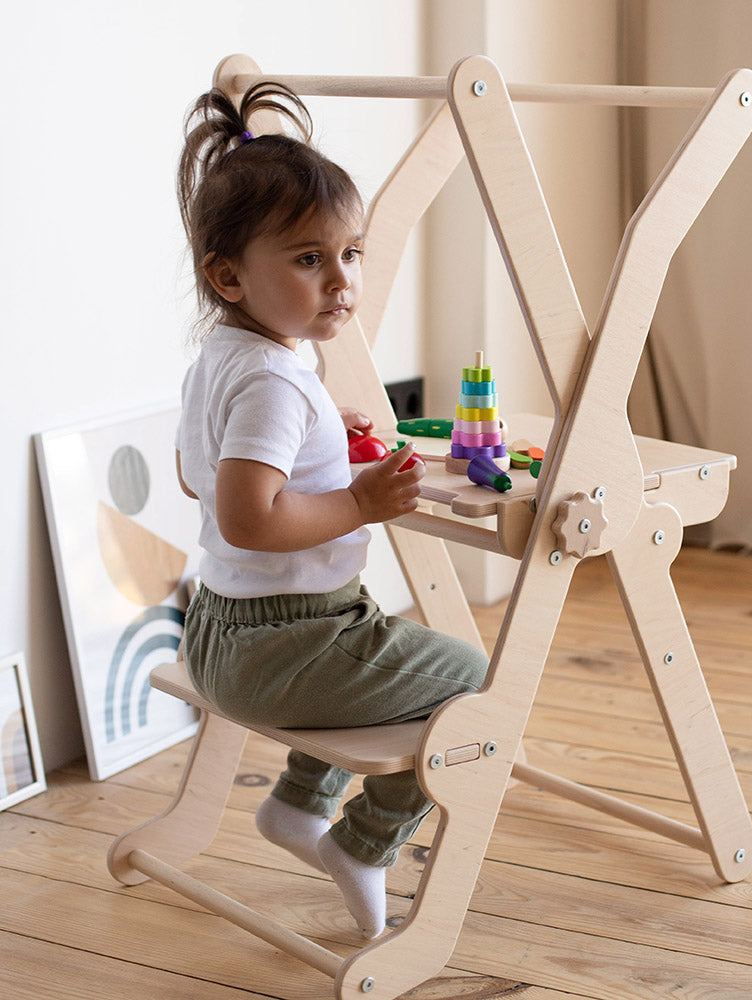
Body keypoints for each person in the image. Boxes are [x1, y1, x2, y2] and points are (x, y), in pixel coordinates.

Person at [173, 81, 489, 939]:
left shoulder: (224, 360)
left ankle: (297, 805)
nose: (342, 281)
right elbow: (247, 519)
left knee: (381, 637)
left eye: (351, 253)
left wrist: (317, 442)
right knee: (476, 685)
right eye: (309, 260)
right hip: (283, 643)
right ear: (229, 275)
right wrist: (356, 499)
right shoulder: (275, 380)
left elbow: (197, 476)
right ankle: (364, 840)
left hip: (222, 630)